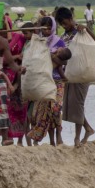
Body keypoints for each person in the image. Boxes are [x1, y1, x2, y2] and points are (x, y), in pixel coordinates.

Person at [25, 17, 70, 146]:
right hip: (42, 81)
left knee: (55, 109)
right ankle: (51, 141)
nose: (47, 31)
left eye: (49, 28)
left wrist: (52, 58)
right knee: (44, 112)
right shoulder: (38, 42)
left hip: (57, 81)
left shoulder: (59, 42)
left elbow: (65, 60)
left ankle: (58, 135)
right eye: (44, 28)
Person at [56, 7, 95, 146]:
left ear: (70, 19)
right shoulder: (64, 36)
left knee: (78, 104)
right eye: (61, 24)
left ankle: (77, 137)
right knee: (71, 105)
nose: (63, 25)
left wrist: (86, 29)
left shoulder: (80, 31)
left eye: (65, 22)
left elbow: (94, 40)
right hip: (68, 74)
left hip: (81, 73)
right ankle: (88, 128)